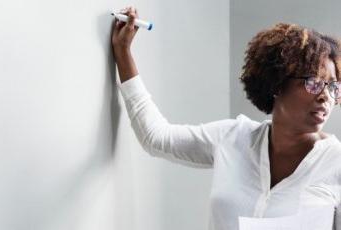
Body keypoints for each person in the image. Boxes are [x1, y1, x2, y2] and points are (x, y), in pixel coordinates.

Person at [111, 6, 341, 230]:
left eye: (333, 87)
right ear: (277, 84)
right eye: (313, 83)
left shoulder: (336, 164)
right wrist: (123, 52)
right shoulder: (233, 138)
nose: (326, 97)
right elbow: (156, 137)